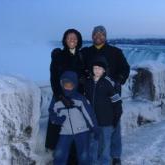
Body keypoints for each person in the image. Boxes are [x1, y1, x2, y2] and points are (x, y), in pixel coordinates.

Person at [82, 25, 130, 165]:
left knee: (114, 126)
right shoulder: (86, 52)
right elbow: (80, 68)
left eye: (101, 34)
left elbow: (125, 68)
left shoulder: (115, 52)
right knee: (94, 128)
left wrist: (119, 80)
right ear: (92, 36)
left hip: (111, 96)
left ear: (105, 36)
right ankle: (96, 155)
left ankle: (115, 155)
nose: (98, 36)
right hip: (93, 97)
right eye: (96, 34)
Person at [45, 29, 85, 164]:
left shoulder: (81, 56)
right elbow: (54, 78)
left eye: (75, 38)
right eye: (69, 37)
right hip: (61, 97)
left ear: (78, 40)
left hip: (76, 98)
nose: (72, 40)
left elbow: (83, 75)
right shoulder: (58, 56)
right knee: (59, 129)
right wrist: (61, 97)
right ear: (65, 40)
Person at [51, 71, 98, 165]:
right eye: (65, 84)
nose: (67, 87)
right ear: (62, 84)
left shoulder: (80, 99)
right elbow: (52, 113)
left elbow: (89, 115)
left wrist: (95, 129)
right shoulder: (57, 100)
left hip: (82, 131)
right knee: (59, 153)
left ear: (75, 84)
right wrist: (57, 120)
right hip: (65, 131)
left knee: (83, 155)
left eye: (70, 84)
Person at [85, 61, 122, 165]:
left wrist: (116, 118)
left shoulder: (108, 83)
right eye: (95, 68)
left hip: (106, 122)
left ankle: (104, 163)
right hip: (92, 122)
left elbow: (117, 102)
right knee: (93, 145)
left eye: (99, 68)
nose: (97, 70)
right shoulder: (88, 83)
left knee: (104, 146)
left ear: (104, 70)